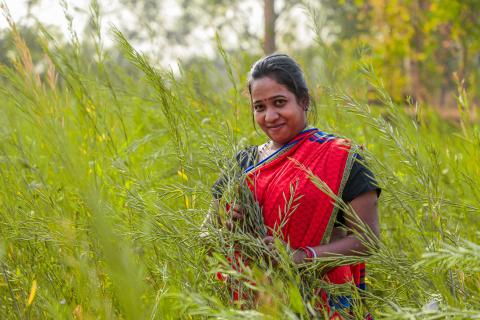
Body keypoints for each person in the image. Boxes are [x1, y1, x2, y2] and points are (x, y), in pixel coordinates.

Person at [209, 54, 380, 318]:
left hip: (324, 299)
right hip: (258, 302)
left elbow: (367, 240)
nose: (270, 116)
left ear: (304, 101)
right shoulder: (243, 162)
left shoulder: (341, 157)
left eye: (279, 102)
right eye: (259, 107)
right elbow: (208, 233)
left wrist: (298, 257)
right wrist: (229, 227)